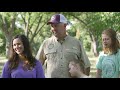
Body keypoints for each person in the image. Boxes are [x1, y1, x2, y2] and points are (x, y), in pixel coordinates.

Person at [36, 14, 91, 78]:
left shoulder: (76, 43)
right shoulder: (46, 43)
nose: (53, 28)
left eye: (56, 25)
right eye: (52, 26)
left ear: (65, 25)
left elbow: (86, 65)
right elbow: (37, 65)